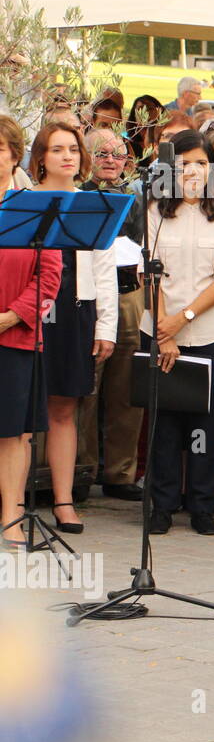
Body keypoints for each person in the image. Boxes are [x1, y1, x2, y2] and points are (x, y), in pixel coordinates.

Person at [140, 129, 214, 536]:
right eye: (184, 164)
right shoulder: (155, 211)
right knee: (163, 422)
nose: (193, 171)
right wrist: (164, 332)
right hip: (159, 328)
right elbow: (149, 272)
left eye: (201, 163)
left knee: (203, 423)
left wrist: (184, 319)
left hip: (209, 333)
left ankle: (201, 504)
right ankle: (162, 504)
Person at [28, 123, 117, 534]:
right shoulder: (22, 202)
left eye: (73, 149)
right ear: (41, 157)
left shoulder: (92, 205)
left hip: (75, 309)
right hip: (28, 312)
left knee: (65, 408)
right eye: (57, 149)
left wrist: (106, 327)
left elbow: (104, 269)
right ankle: (13, 502)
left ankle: (63, 501)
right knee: (21, 409)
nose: (67, 156)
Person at [0, 117, 63, 550]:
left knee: (11, 433)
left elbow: (50, 274)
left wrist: (11, 317)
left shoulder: (34, 207)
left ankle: (11, 517)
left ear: (14, 154)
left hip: (15, 335)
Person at [79, 129, 146, 503]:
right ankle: (81, 469)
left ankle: (120, 472)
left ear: (127, 162)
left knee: (126, 387)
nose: (109, 161)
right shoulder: (79, 196)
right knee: (87, 389)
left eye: (117, 155)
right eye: (101, 154)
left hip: (130, 294)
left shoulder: (137, 198)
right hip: (91, 298)